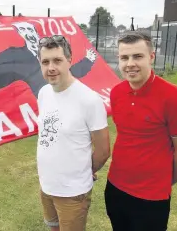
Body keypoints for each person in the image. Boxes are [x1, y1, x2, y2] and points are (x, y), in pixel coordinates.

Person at [105, 31, 177, 231]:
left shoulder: (174, 97)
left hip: (152, 198)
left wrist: (162, 181)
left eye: (137, 56)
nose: (130, 63)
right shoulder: (116, 93)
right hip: (115, 188)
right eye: (124, 57)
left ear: (151, 57)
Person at [36, 35, 110, 231]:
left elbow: (103, 150)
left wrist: (84, 172)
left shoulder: (89, 100)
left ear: (69, 60)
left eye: (57, 60)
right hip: (46, 185)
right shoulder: (43, 93)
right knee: (53, 227)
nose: (51, 67)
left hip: (72, 192)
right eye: (45, 62)